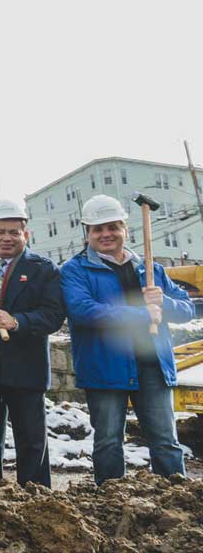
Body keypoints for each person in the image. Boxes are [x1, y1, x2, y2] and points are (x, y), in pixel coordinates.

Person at [60, 194, 193, 484]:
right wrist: (142, 314)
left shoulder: (151, 268)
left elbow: (188, 308)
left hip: (152, 366)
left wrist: (164, 304)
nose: (106, 234)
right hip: (105, 367)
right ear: (88, 233)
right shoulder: (74, 270)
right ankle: (111, 501)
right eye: (98, 229)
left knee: (166, 441)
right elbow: (84, 312)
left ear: (125, 230)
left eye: (113, 227)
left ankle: (175, 500)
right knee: (108, 442)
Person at [0, 200, 65, 487]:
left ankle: (35, 495)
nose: (7, 237)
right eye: (1, 231)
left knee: (31, 439)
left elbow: (53, 315)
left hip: (25, 369)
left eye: (14, 232)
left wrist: (18, 322)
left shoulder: (44, 269)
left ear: (25, 235)